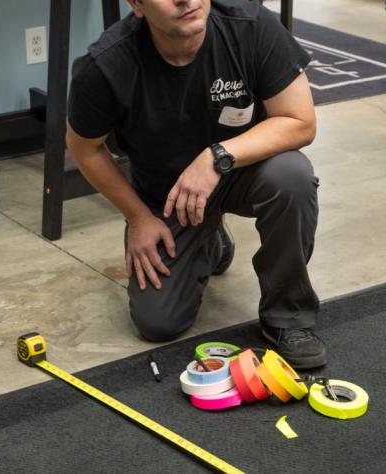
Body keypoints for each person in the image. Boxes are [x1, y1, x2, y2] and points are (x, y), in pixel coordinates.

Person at [66, 0, 327, 369]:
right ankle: (209, 240)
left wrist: (216, 157)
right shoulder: (107, 65)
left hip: (243, 171)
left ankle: (288, 317)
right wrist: (139, 218)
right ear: (137, 5)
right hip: (168, 195)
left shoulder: (251, 26)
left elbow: (301, 121)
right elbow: (84, 148)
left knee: (292, 176)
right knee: (158, 322)